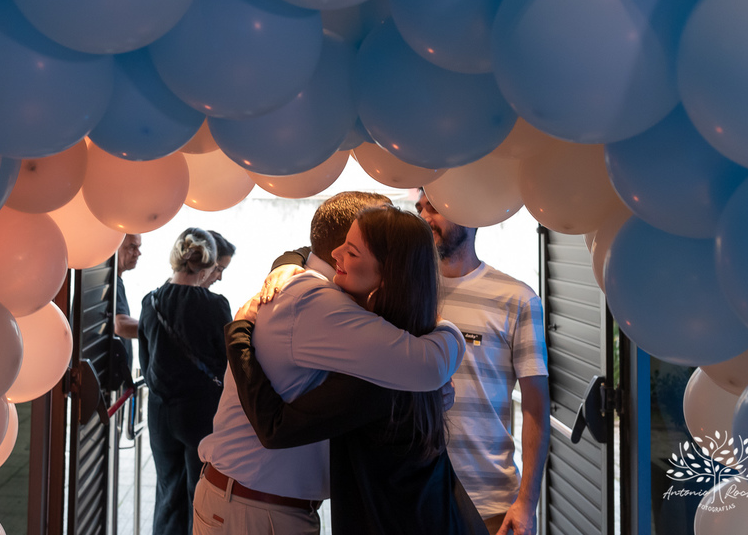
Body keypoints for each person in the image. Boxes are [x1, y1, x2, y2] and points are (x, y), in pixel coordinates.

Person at [194, 191, 465, 535]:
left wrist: (241, 327)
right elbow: (431, 364)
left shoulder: (363, 325)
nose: (338, 253)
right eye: (346, 244)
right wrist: (449, 331)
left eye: (353, 249)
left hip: (263, 505)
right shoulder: (317, 300)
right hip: (253, 507)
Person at [416, 189, 550, 535]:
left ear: (469, 216)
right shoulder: (409, 296)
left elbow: (536, 405)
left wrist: (526, 503)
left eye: (434, 207)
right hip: (416, 494)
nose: (424, 217)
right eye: (420, 208)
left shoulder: (517, 299)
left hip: (489, 501)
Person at [140, 228, 233, 535]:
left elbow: (145, 361)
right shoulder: (216, 305)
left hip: (160, 413)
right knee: (202, 495)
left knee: (168, 492)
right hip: (201, 413)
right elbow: (227, 364)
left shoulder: (150, 302)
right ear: (206, 265)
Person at [114, 233, 142, 371]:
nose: (138, 253)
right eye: (132, 247)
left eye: (139, 247)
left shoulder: (116, 281)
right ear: (115, 247)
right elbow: (120, 324)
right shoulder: (112, 283)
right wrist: (157, 329)